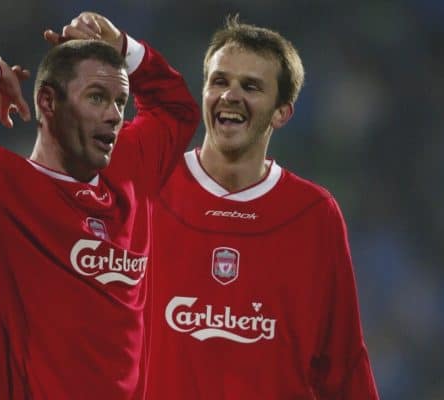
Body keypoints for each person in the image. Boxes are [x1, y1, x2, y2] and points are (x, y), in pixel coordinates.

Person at [0, 12, 199, 400]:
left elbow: (178, 109)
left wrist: (124, 46)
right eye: (97, 98)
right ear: (48, 102)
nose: (115, 116)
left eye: (121, 102)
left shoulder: (130, 172)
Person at [145, 16, 379, 399]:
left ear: (281, 113)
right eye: (219, 81)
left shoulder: (313, 214)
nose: (231, 95)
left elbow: (343, 363)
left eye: (250, 86)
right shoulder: (150, 188)